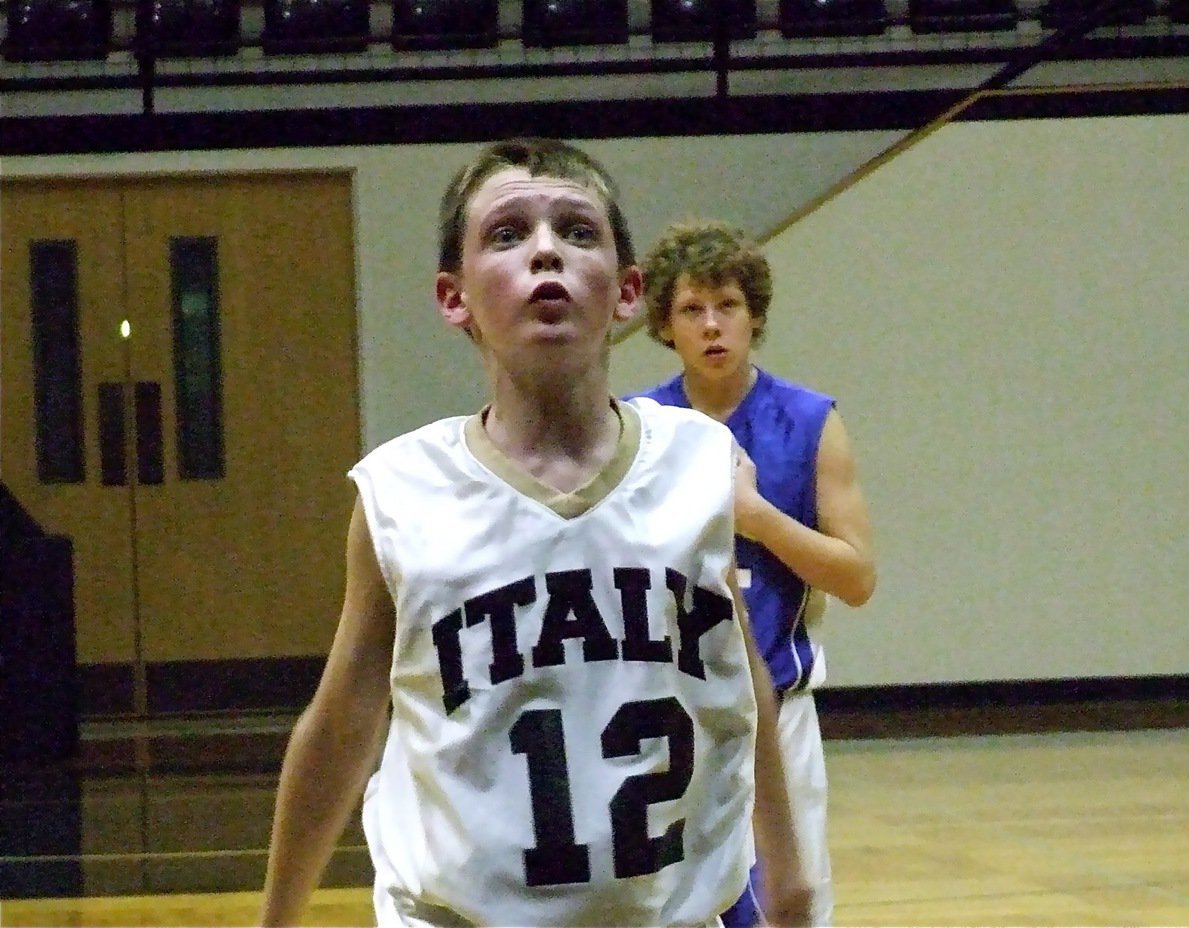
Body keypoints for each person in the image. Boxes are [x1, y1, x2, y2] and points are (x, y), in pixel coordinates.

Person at [259, 139, 814, 928]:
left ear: (626, 292)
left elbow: (737, 673)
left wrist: (788, 877)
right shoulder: (400, 490)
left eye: (578, 231)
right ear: (454, 297)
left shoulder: (699, 464)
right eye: (507, 233)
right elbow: (343, 720)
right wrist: (276, 918)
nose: (546, 250)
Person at [630, 220, 877, 928]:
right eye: (691, 309)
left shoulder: (810, 420)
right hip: (668, 718)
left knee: (787, 908)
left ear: (755, 315)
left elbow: (857, 578)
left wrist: (758, 517)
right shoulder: (640, 428)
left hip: (780, 709)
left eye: (727, 306)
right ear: (664, 325)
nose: (712, 326)